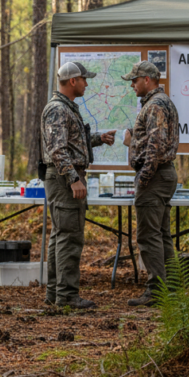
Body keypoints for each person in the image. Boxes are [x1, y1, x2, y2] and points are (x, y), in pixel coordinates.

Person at [41, 62, 117, 309]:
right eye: (84, 79)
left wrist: (97, 140)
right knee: (69, 238)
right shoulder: (57, 109)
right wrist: (73, 179)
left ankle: (56, 294)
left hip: (64, 177)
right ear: (73, 81)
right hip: (64, 180)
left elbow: (70, 143)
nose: (87, 83)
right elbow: (57, 149)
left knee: (62, 235)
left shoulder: (65, 108)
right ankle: (67, 297)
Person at [121, 60, 180, 307]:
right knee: (161, 235)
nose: (132, 84)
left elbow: (155, 146)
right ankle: (173, 288)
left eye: (135, 80)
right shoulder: (161, 103)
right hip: (163, 175)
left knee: (148, 237)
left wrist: (143, 179)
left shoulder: (155, 105)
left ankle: (156, 291)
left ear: (148, 79)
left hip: (155, 177)